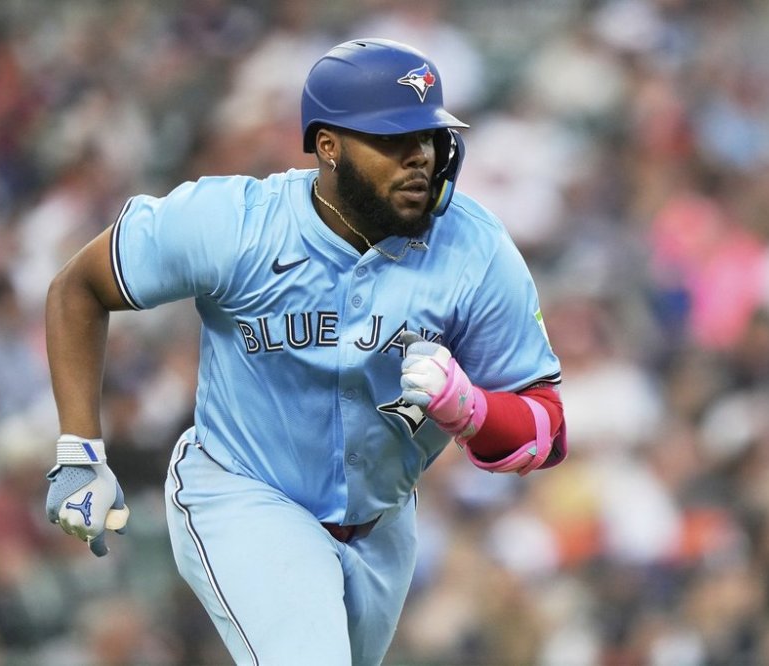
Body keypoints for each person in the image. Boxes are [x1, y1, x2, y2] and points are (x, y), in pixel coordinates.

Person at [44, 38, 567, 666]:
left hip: (380, 526)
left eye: (427, 138)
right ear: (329, 145)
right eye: (393, 140)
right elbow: (78, 286)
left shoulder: (475, 250)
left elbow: (549, 429)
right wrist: (79, 450)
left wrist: (474, 410)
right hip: (244, 492)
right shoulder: (233, 224)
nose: (419, 159)